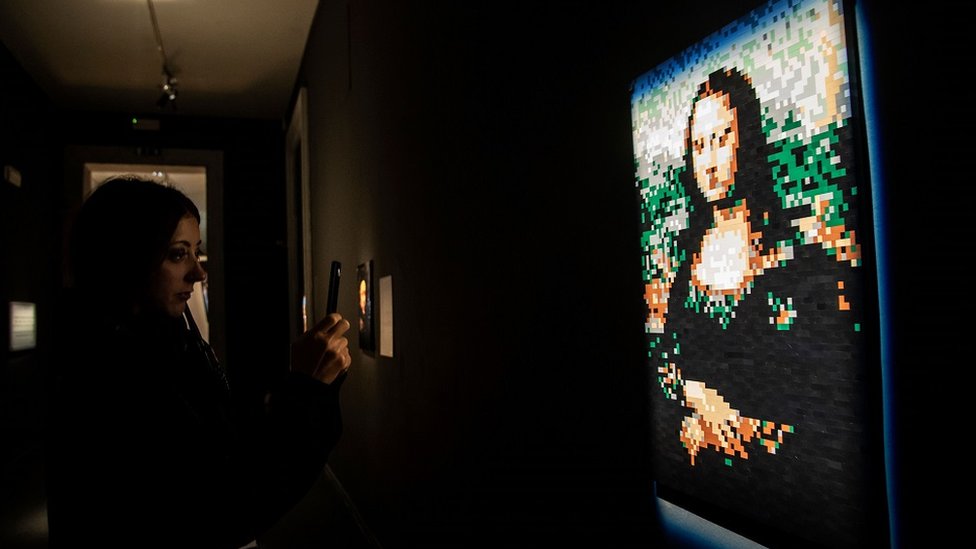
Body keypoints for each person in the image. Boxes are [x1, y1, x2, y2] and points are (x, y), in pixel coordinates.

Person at [45, 176, 352, 548]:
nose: (199, 272)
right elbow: (224, 506)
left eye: (197, 251)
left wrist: (296, 393)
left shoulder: (168, 341)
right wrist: (307, 390)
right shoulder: (106, 371)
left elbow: (220, 442)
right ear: (126, 258)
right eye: (177, 254)